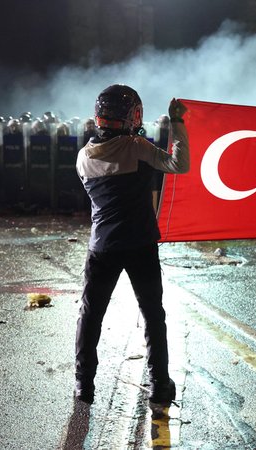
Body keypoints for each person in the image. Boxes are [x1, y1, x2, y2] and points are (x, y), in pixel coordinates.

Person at [74, 84, 189, 403]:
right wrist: (177, 123)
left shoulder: (83, 157)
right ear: (130, 116)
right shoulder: (137, 146)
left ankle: (84, 383)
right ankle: (160, 384)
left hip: (103, 245)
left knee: (90, 314)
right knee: (153, 314)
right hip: (140, 243)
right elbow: (179, 164)